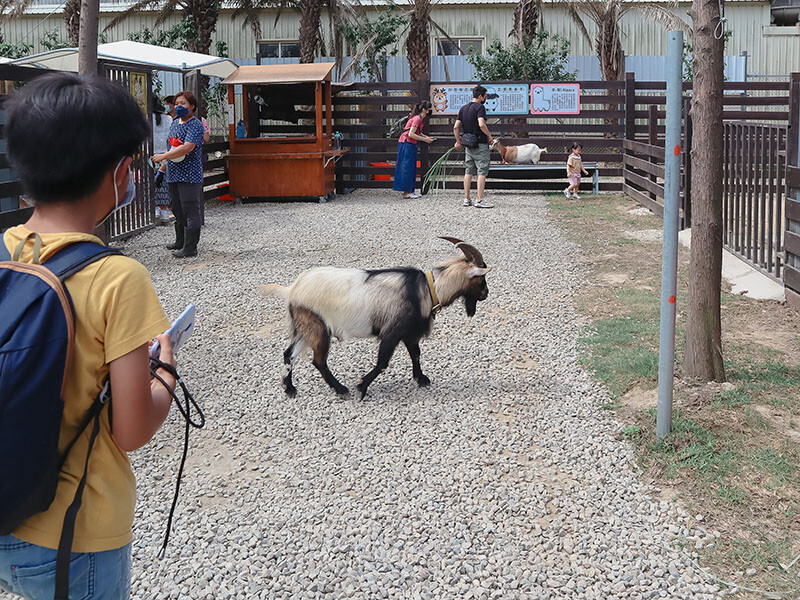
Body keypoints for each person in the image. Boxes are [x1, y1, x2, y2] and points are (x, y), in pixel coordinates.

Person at [0, 72, 175, 599]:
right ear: (121, 173)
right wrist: (164, 369)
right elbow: (131, 430)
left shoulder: (3, 250)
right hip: (76, 535)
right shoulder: (117, 278)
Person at [153, 90, 205, 258]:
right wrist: (162, 170)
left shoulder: (195, 125)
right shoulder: (175, 123)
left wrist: (163, 156)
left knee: (190, 209)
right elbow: (173, 148)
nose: (179, 106)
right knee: (176, 207)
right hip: (173, 173)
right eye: (177, 104)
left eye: (183, 103)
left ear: (192, 106)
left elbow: (187, 147)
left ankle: (191, 247)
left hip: (189, 174)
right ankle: (180, 241)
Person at [453, 85, 496, 209]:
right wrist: (489, 136)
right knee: (482, 171)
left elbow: (456, 127)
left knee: (468, 171)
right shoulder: (480, 108)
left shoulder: (463, 108)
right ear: (480, 96)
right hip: (480, 144)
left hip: (468, 144)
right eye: (485, 96)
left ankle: (467, 199)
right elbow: (481, 124)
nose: (486, 98)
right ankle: (479, 199)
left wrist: (458, 141)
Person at [393, 101, 434, 199]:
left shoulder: (417, 118)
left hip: (408, 143)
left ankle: (409, 190)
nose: (430, 111)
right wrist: (425, 139)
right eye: (429, 109)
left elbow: (417, 132)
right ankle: (407, 192)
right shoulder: (417, 119)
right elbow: (411, 134)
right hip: (407, 143)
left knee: (410, 167)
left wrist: (426, 137)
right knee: (407, 167)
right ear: (424, 110)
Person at [151, 95, 173, 225]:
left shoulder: (146, 118)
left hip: (150, 155)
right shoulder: (168, 118)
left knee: (150, 183)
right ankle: (165, 212)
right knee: (163, 183)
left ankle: (154, 210)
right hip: (165, 154)